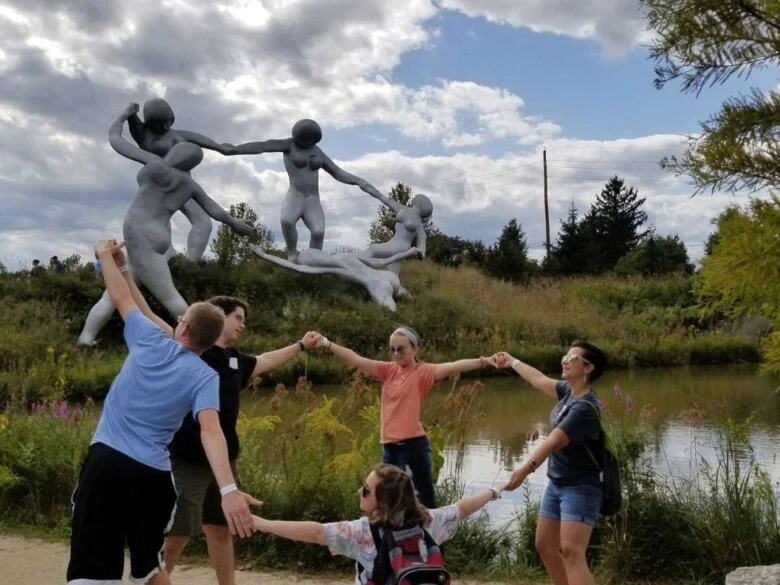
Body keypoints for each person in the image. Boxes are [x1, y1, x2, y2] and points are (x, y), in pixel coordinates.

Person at [67, 240, 259, 585]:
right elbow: (211, 431)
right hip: (152, 478)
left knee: (91, 566)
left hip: (106, 463)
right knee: (149, 568)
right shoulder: (206, 376)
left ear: (182, 327)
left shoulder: (148, 339)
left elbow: (121, 298)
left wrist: (104, 255)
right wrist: (228, 489)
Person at [163, 295, 319, 585]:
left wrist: (300, 345)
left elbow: (265, 360)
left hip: (223, 462)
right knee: (178, 533)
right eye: (238, 317)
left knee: (221, 529)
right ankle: (154, 580)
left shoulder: (233, 359)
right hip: (188, 460)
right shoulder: (191, 351)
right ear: (218, 316)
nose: (243, 325)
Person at [311, 328, 497, 508]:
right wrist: (326, 343)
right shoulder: (388, 370)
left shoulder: (422, 373)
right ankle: (397, 540)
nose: (395, 353)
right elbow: (355, 359)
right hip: (389, 449)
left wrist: (484, 361)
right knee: (391, 504)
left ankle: (430, 540)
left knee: (423, 504)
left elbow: (453, 366)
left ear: (415, 349)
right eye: (392, 349)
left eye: (401, 349)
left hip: (413, 447)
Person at [252, 463, 502, 585]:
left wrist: (262, 523)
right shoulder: (428, 521)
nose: (360, 491)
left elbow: (316, 532)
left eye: (366, 489)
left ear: (381, 501)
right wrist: (494, 490)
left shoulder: (361, 533)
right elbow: (462, 508)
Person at [495, 341, 607, 585]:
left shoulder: (585, 407)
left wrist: (523, 471)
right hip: (557, 483)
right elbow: (537, 378)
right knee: (545, 545)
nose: (564, 361)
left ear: (588, 368)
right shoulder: (568, 391)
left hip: (581, 487)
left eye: (571, 358)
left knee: (572, 551)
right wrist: (512, 361)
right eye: (565, 356)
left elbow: (552, 443)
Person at [232, 119, 382, 262]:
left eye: (312, 140)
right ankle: (292, 254)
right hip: (295, 193)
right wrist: (233, 149)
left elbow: (337, 172)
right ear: (298, 136)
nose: (309, 143)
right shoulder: (288, 145)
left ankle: (314, 259)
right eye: (306, 139)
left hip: (312, 198)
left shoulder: (317, 151)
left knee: (318, 233)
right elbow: (262, 146)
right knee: (287, 221)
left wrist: (358, 180)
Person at [128, 97, 239, 262]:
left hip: (184, 186)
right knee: (161, 220)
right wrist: (130, 113)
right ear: (150, 123)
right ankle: (165, 255)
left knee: (203, 222)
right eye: (159, 124)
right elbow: (129, 122)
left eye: (168, 121)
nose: (165, 127)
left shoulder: (176, 133)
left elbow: (196, 137)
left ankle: (189, 264)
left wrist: (220, 147)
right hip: (161, 187)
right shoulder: (144, 134)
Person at [250, 245, 419, 311]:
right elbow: (377, 261)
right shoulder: (344, 256)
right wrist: (405, 253)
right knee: (408, 303)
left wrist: (264, 256)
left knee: (394, 318)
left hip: (377, 285)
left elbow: (293, 266)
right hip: (386, 277)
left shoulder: (330, 267)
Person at [358, 191, 433, 275]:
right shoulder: (402, 209)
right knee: (392, 274)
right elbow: (381, 196)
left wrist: (419, 252)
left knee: (373, 249)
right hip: (392, 243)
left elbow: (422, 247)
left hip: (401, 246)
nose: (414, 198)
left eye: (417, 197)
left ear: (420, 203)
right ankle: (392, 285)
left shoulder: (419, 227)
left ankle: (355, 266)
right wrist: (361, 183)